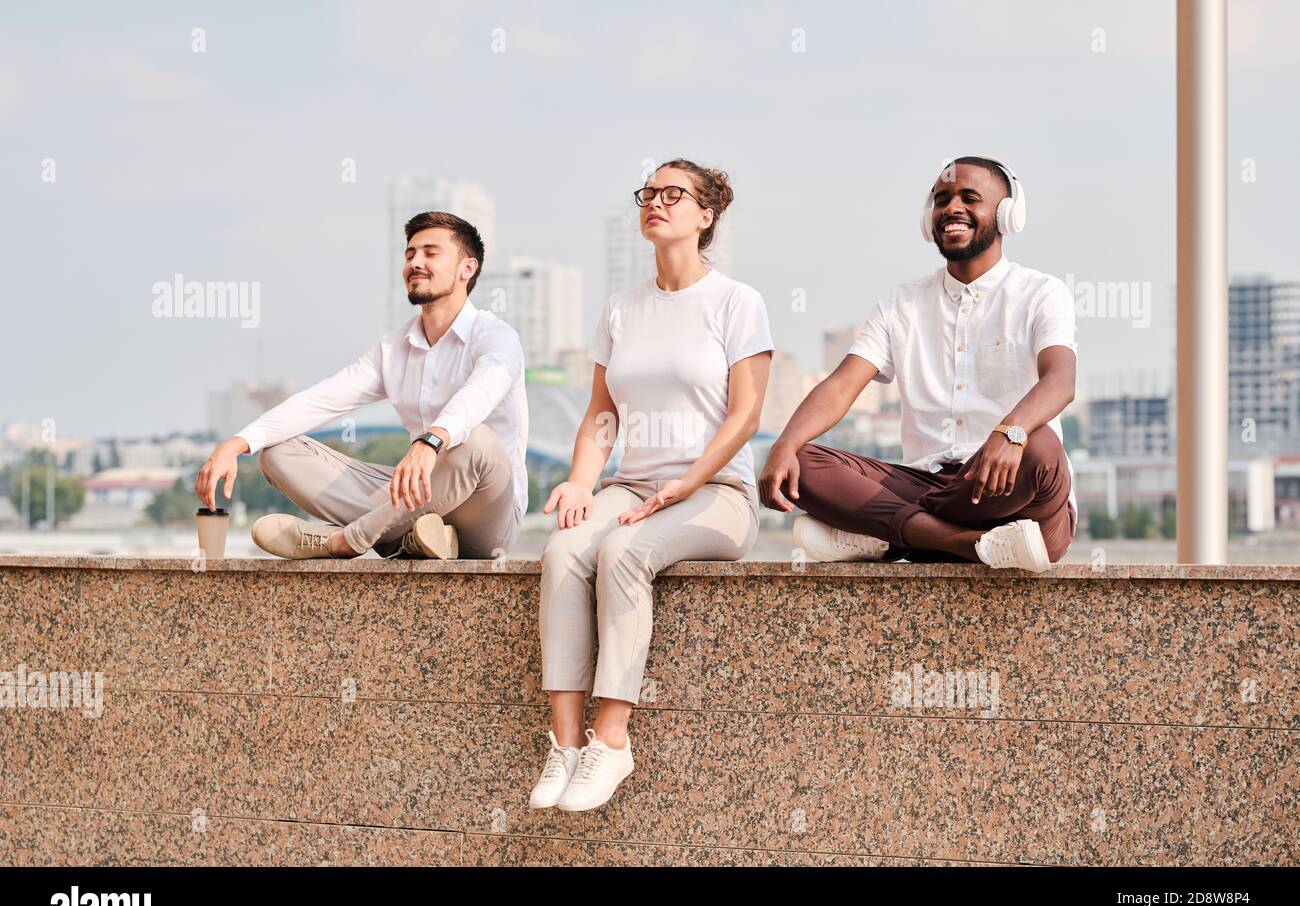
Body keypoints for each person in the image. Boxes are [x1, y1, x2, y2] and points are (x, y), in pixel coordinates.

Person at [530, 159, 773, 812]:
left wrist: (684, 483)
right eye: (649, 193)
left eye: (675, 195)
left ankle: (612, 742)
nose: (656, 203)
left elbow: (746, 414)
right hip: (634, 485)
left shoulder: (737, 302)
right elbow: (599, 415)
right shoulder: (620, 309)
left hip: (717, 493)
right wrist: (581, 483)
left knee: (622, 552)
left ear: (706, 214)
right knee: (562, 551)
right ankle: (567, 745)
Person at [759, 157, 1078, 571]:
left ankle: (892, 534)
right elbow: (840, 387)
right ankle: (964, 543)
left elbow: (1061, 380)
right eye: (942, 199)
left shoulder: (1041, 292)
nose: (951, 209)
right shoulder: (902, 302)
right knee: (800, 460)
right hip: (930, 482)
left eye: (969, 198)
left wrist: (1009, 433)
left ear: (1006, 214)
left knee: (1041, 448)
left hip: (1016, 494)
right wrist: (783, 447)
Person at [194, 211, 527, 560]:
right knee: (277, 452)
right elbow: (322, 399)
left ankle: (346, 540)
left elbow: (481, 392)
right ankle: (410, 540)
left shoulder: (497, 338)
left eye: (430, 253)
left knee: (475, 440)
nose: (415, 262)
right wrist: (236, 444)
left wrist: (431, 441)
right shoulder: (393, 349)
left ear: (467, 269)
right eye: (410, 254)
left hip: (486, 515)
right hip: (416, 503)